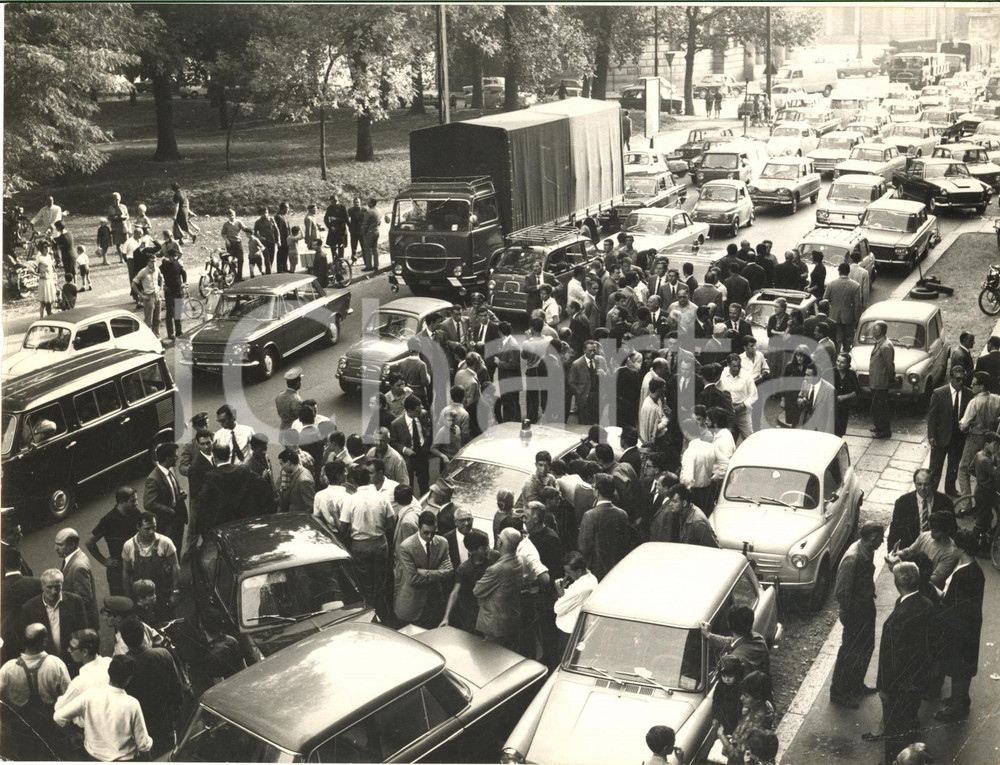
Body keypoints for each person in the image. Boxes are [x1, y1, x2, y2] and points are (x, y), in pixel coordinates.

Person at [876, 562, 934, 765]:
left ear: (896, 582)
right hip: (916, 680)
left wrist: (884, 687)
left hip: (898, 686)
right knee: (909, 720)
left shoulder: (901, 615)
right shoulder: (926, 603)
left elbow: (891, 659)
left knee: (893, 729)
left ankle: (894, 760)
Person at [53, 655, 153, 762]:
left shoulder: (90, 695)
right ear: (129, 679)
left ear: (109, 672)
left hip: (93, 758)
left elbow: (58, 717)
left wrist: (73, 735)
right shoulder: (132, 704)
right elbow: (143, 744)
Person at [932, 527, 984, 722]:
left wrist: (933, 590)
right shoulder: (973, 569)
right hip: (968, 627)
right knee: (963, 665)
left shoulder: (964, 575)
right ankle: (960, 698)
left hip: (959, 629)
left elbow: (950, 602)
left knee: (958, 666)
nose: (951, 546)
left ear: (961, 548)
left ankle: (957, 706)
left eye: (954, 544)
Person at [830, 521, 884, 708]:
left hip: (865, 607)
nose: (882, 541)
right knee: (850, 653)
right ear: (873, 538)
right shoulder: (853, 558)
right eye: (880, 538)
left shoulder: (867, 550)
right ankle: (839, 693)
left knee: (865, 648)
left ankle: (855, 685)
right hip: (856, 613)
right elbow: (841, 592)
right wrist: (855, 614)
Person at [0, 623, 72, 760]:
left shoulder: (8, 668)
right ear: (44, 641)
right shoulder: (56, 664)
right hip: (49, 728)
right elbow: (68, 696)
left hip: (20, 729)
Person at [119, 616, 183, 757]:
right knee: (169, 754)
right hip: (165, 719)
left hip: (141, 724)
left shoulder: (123, 666)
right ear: (143, 635)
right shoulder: (162, 654)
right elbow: (177, 686)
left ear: (123, 639)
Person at [338, 465, 394, 620]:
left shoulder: (351, 500)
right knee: (380, 583)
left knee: (365, 585)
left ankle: (370, 614)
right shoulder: (381, 497)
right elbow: (391, 523)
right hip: (380, 544)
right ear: (368, 478)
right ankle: (384, 614)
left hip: (360, 546)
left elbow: (343, 527)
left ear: (355, 481)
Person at [394, 510, 453, 628]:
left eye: (433, 532)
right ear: (418, 528)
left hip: (434, 605)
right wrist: (438, 574)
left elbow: (449, 572)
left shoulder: (443, 543)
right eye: (426, 533)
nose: (430, 536)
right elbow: (413, 579)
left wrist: (424, 572)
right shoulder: (406, 547)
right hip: (412, 605)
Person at [19, 570, 89, 668]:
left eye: (57, 587)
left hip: (72, 662)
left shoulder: (75, 602)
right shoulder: (29, 608)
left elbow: (83, 632)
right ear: (42, 586)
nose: (54, 591)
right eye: (49, 587)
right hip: (44, 665)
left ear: (62, 585)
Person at [120, 513, 180, 623]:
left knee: (168, 623)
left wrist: (175, 592)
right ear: (138, 527)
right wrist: (128, 596)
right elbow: (126, 572)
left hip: (163, 593)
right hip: (141, 599)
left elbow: (175, 567)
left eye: (154, 528)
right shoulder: (128, 546)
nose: (151, 532)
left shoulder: (165, 542)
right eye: (147, 529)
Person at [473, 527, 523, 649]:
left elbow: (477, 591)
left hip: (494, 625)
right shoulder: (519, 561)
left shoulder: (496, 569)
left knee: (490, 657)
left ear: (500, 542)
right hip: (510, 619)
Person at [440, 529, 496, 633]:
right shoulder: (464, 569)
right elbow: (455, 593)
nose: (488, 549)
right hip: (472, 615)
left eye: (488, 545)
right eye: (483, 548)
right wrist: (446, 617)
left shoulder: (494, 558)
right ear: (472, 550)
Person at [927, 366, 972, 495]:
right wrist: (931, 436)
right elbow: (932, 416)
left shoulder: (968, 394)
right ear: (951, 378)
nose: (961, 382)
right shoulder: (939, 393)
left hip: (958, 438)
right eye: (958, 379)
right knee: (935, 467)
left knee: (953, 466)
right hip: (941, 437)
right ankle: (932, 490)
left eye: (963, 379)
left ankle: (950, 489)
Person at [577, 473, 630, 580]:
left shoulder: (589, 515)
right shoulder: (623, 514)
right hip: (617, 569)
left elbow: (583, 547)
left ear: (597, 491)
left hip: (595, 571)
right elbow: (625, 544)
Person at [888, 468, 954, 552]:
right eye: (919, 484)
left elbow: (952, 529)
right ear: (914, 483)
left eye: (926, 484)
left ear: (933, 483)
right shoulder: (903, 502)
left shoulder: (945, 502)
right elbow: (894, 530)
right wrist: (890, 552)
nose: (923, 488)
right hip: (910, 550)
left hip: (936, 549)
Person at [956, 371, 1000, 498]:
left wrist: (963, 426)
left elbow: (963, 424)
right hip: (991, 439)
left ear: (982, 387)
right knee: (986, 467)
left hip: (975, 438)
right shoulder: (997, 399)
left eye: (974, 384)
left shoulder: (974, 402)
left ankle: (966, 503)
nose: (971, 385)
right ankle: (985, 497)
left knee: (964, 469)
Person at [718, 671, 774, 765]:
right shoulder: (766, 707)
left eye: (746, 696)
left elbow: (738, 758)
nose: (741, 698)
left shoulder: (755, 726)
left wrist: (722, 737)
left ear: (758, 698)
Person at [701, 604, 770, 677]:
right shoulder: (758, 638)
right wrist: (709, 635)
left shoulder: (736, 660)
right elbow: (731, 642)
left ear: (729, 624)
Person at [143, 442, 187, 552]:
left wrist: (180, 492)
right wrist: (169, 510)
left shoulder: (170, 469)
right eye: (175, 455)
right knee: (168, 550)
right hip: (167, 523)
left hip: (178, 518)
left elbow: (172, 486)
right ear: (168, 458)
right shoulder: (153, 479)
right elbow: (149, 503)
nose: (177, 457)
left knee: (177, 547)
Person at [54, 529, 98, 629]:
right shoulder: (74, 556)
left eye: (60, 545)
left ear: (72, 545)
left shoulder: (78, 567)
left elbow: (83, 599)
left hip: (82, 623)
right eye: (56, 544)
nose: (55, 548)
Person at [552, 550, 597, 646]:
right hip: (576, 628)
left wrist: (560, 592)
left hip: (569, 631)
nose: (566, 575)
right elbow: (574, 599)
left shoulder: (580, 587)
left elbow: (557, 608)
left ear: (579, 571)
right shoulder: (592, 578)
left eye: (568, 572)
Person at [868, 320, 895, 439]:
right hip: (876, 380)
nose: (872, 331)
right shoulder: (880, 343)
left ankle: (884, 430)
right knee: (876, 406)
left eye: (875, 329)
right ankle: (879, 426)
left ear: (881, 332)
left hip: (881, 382)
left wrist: (890, 379)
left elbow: (889, 366)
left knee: (881, 407)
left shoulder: (885, 346)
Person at [711, 655, 746, 740]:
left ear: (737, 675)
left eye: (730, 677)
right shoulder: (720, 686)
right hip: (724, 716)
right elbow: (716, 701)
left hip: (738, 716)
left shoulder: (741, 686)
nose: (726, 679)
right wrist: (715, 717)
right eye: (724, 676)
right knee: (723, 735)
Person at [833, 352, 860, 438]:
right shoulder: (832, 372)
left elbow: (856, 392)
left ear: (848, 364)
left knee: (839, 431)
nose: (839, 364)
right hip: (831, 405)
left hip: (844, 407)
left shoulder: (851, 374)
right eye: (838, 361)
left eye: (842, 362)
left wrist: (843, 397)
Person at [34, 239, 57, 317]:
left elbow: (51, 268)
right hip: (44, 282)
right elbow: (33, 267)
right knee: (43, 302)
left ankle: (49, 314)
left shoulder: (49, 256)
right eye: (45, 247)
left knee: (49, 300)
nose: (47, 249)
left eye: (48, 247)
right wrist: (37, 273)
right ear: (41, 248)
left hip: (50, 280)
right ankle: (41, 318)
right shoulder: (39, 257)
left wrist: (54, 278)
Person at [360, 196, 381, 271]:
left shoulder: (368, 212)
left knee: (367, 249)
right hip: (376, 230)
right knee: (375, 248)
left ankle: (368, 266)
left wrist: (362, 232)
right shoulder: (378, 210)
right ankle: (376, 265)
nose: (367, 203)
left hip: (369, 232)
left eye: (368, 202)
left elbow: (365, 224)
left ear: (372, 203)